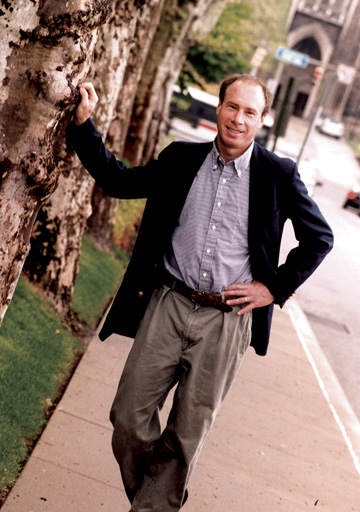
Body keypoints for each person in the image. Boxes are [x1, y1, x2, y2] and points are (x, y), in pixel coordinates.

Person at [70, 74, 333, 511]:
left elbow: (319, 238)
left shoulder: (278, 175)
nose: (238, 118)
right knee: (128, 417)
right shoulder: (181, 158)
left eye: (250, 111)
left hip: (226, 323)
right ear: (219, 108)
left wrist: (273, 288)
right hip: (169, 303)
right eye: (232, 106)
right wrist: (83, 125)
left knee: (185, 436)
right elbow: (120, 182)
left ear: (262, 120)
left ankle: (155, 504)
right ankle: (162, 496)